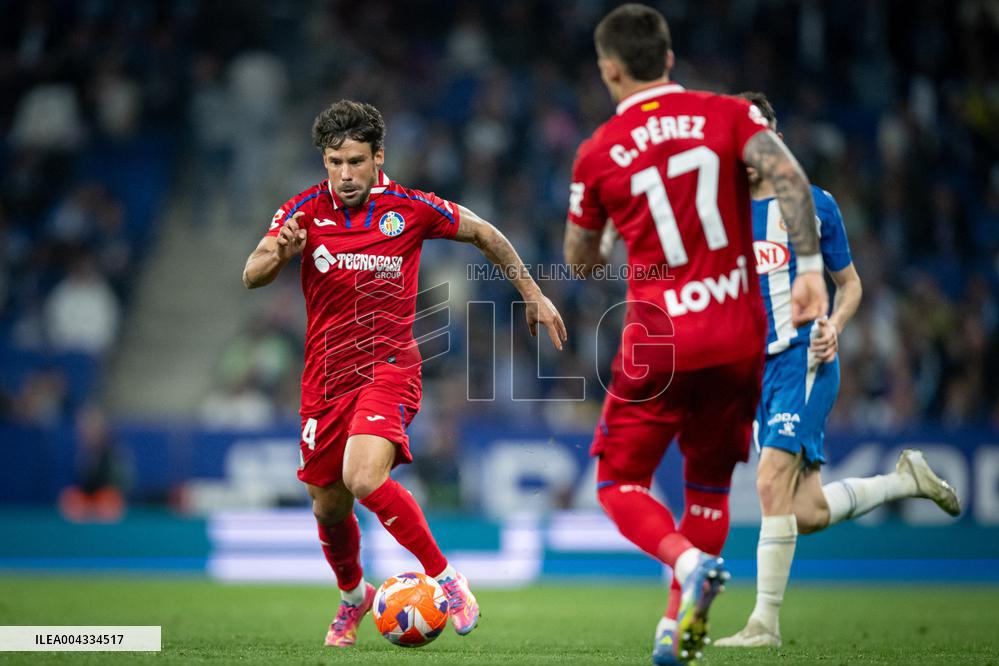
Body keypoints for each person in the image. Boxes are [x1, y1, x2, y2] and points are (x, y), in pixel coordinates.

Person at [243, 100, 566, 648]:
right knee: (328, 504)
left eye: (355, 161)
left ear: (378, 157)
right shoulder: (301, 211)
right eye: (334, 162)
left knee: (364, 477)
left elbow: (485, 232)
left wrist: (532, 294)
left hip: (389, 366)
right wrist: (280, 254)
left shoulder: (410, 207)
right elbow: (252, 273)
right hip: (323, 380)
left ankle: (447, 579)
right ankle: (353, 598)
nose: (344, 174)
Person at [563, 5, 828, 664]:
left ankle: (684, 567)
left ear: (610, 70)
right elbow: (791, 177)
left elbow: (581, 260)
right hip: (739, 337)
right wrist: (813, 269)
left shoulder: (597, 153)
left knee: (618, 482)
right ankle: (674, 628)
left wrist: (608, 232)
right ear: (671, 60)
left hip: (661, 338)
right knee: (708, 488)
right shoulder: (729, 116)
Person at [715, 92, 960, 649]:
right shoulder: (720, 214)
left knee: (768, 481)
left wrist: (834, 325)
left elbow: (849, 286)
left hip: (802, 357)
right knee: (806, 511)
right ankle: (905, 480)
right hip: (753, 375)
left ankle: (763, 626)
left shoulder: (811, 204)